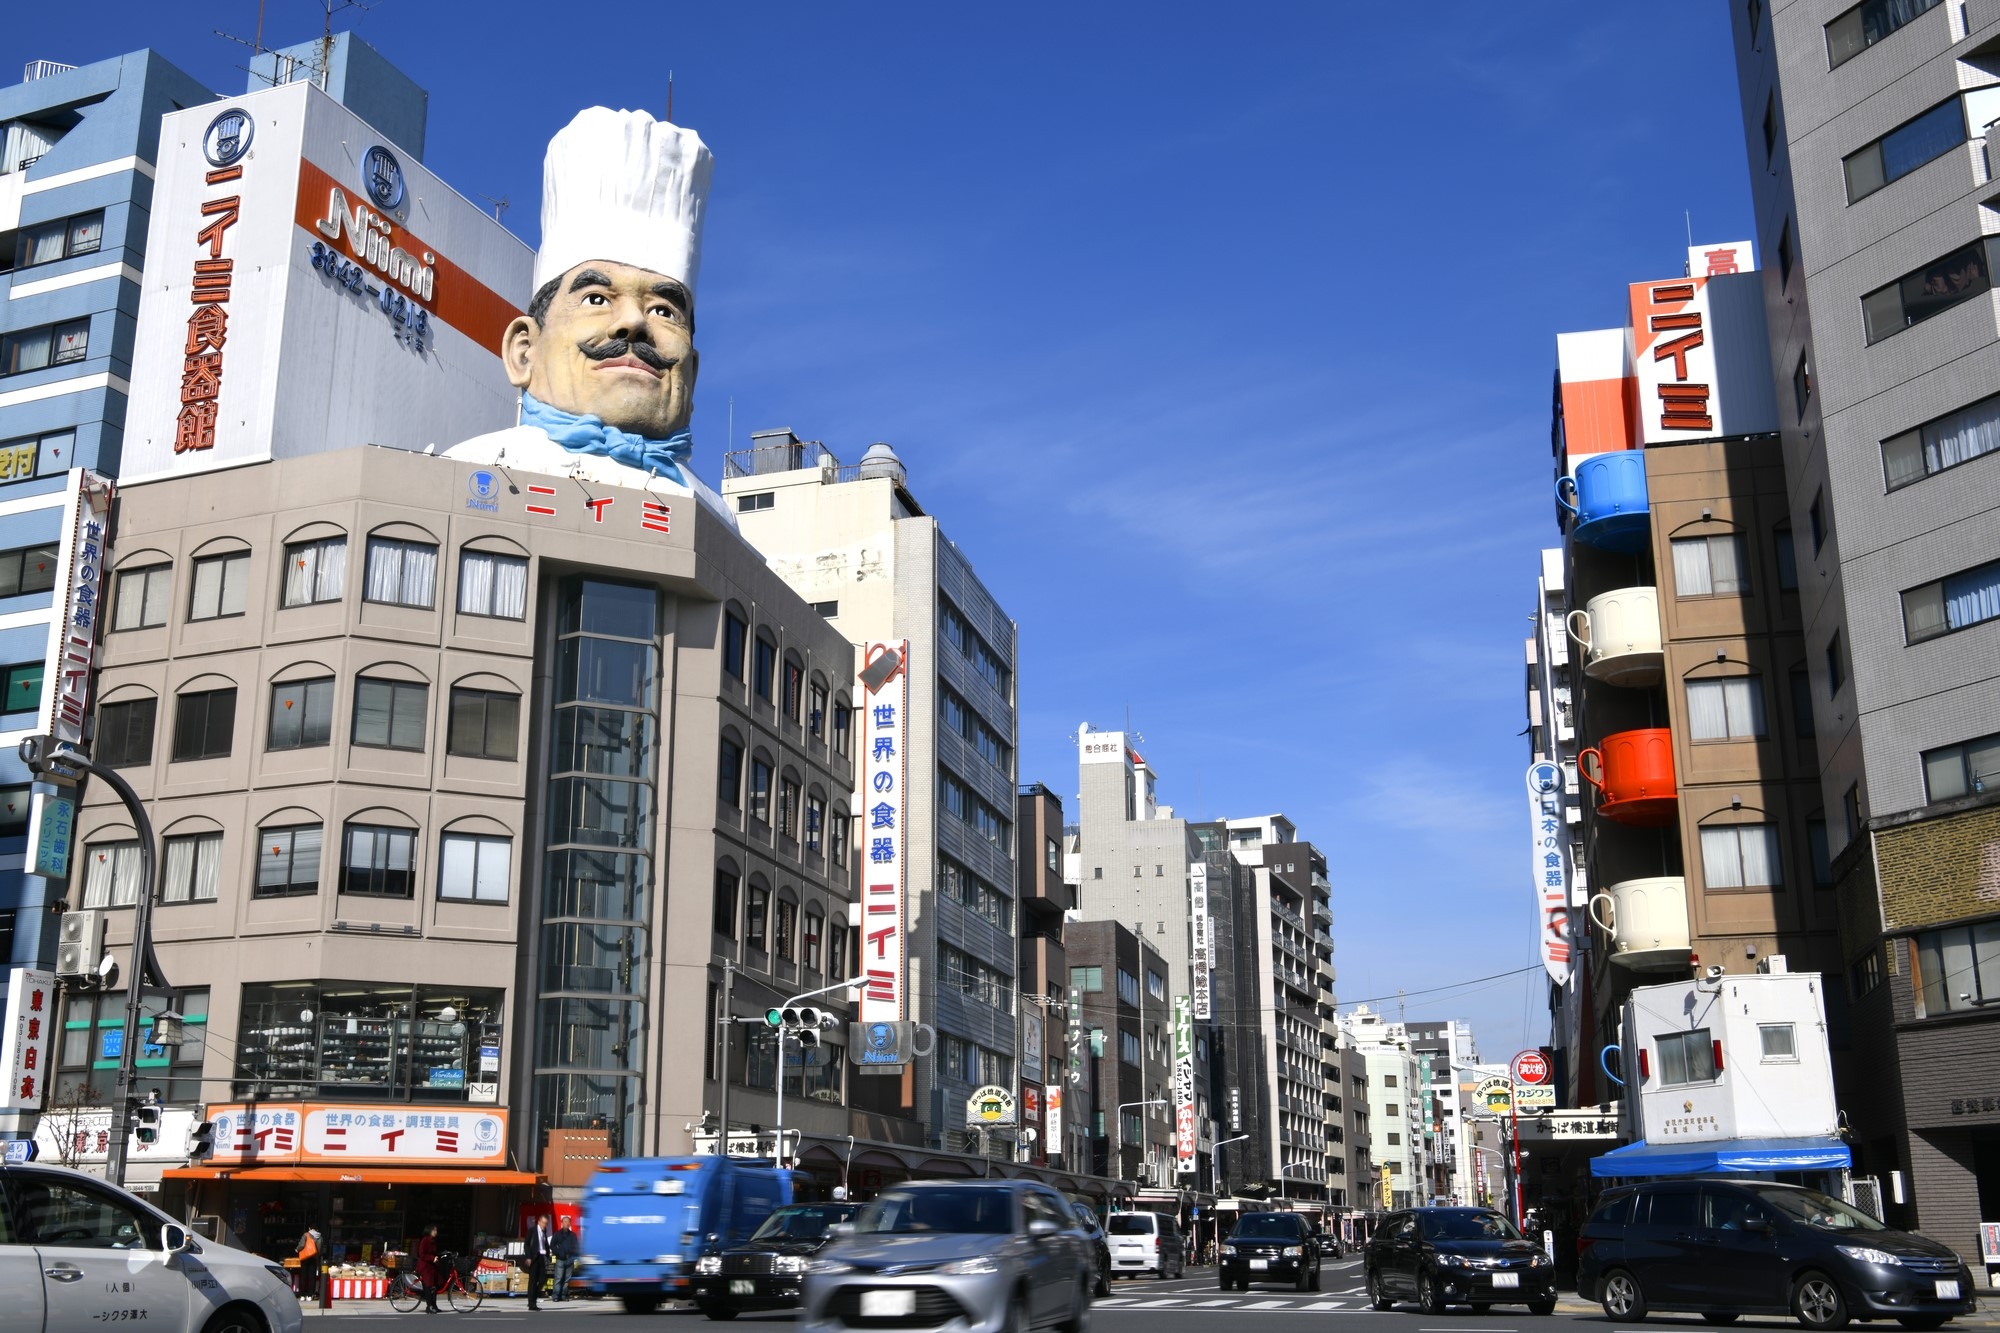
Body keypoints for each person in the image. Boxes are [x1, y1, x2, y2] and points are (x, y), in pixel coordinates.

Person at [441, 107, 737, 529]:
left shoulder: (714, 518)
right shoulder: (471, 475)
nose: (633, 322)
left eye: (662, 310)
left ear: (691, 373)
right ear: (524, 350)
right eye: (597, 298)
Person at [524, 1214, 553, 1312]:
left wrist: (548, 1255)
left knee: (542, 1280)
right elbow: (526, 1244)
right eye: (544, 1223)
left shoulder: (544, 1232)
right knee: (532, 1281)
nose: (545, 1225)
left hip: (542, 1257)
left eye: (546, 1224)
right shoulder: (532, 1231)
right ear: (539, 1222)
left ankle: (534, 1298)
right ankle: (531, 1303)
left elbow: (545, 1244)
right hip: (534, 1258)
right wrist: (528, 1257)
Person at [415, 1223, 442, 1314]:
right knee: (429, 1284)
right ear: (430, 1231)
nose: (436, 1232)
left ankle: (434, 1305)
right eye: (434, 1230)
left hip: (431, 1266)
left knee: (436, 1283)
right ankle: (429, 1306)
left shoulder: (433, 1240)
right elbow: (421, 1254)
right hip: (425, 1266)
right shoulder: (425, 1240)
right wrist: (431, 1258)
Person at [551, 1218, 578, 1302]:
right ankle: (556, 1295)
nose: (567, 1223)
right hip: (560, 1259)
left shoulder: (573, 1235)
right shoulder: (557, 1234)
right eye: (565, 1222)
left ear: (570, 1224)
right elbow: (552, 1245)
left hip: (569, 1260)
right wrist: (558, 1253)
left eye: (568, 1222)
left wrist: (573, 1254)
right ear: (562, 1223)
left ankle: (563, 1295)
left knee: (567, 1280)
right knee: (558, 1278)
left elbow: (576, 1246)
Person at [294, 1226, 322, 1304]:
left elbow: (302, 1245)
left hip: (305, 1257)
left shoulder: (306, 1235)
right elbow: (320, 1249)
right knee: (312, 1277)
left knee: (303, 1276)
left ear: (309, 1228)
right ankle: (310, 1295)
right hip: (314, 1258)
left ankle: (302, 1295)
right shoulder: (320, 1236)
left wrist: (297, 1249)